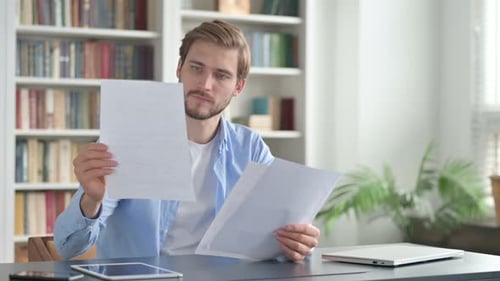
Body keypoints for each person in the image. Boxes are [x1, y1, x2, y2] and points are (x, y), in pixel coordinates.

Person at [54, 20, 320, 262]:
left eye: (222, 75)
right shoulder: (129, 138)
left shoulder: (251, 148)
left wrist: (295, 244)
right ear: (180, 69)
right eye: (196, 68)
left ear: (238, 87)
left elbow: (273, 241)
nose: (205, 85)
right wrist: (91, 201)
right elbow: (68, 247)